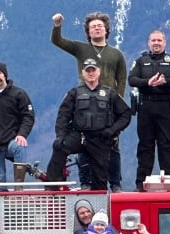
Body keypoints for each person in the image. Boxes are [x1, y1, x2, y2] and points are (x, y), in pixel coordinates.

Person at [51, 11, 127, 192]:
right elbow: (58, 41)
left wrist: (119, 102)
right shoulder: (81, 48)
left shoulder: (116, 54)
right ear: (88, 31)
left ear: (106, 30)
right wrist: (57, 26)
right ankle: (85, 182)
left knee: (113, 146)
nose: (97, 28)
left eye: (100, 25)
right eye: (93, 26)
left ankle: (115, 183)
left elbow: (122, 79)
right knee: (83, 144)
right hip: (84, 101)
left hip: (108, 103)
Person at [46, 58, 132, 190]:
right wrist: (60, 136)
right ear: (83, 73)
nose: (91, 73)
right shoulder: (74, 93)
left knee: (100, 181)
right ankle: (52, 188)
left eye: (93, 70)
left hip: (101, 139)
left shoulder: (109, 93)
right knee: (59, 147)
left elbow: (126, 114)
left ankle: (99, 205)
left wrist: (112, 130)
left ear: (99, 72)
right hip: (79, 136)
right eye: (88, 71)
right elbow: (63, 116)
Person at [128, 29, 170, 191]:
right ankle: (141, 184)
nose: (156, 43)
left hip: (165, 106)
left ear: (164, 42)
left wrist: (165, 82)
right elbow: (132, 79)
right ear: (149, 43)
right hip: (145, 106)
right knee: (145, 145)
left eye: (159, 40)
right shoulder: (140, 61)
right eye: (153, 40)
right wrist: (147, 83)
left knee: (165, 144)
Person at [0, 62, 35, 191]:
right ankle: (1, 208)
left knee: (20, 146)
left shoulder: (18, 94)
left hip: (10, 141)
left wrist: (22, 134)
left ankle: (18, 188)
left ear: (5, 75)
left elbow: (28, 116)